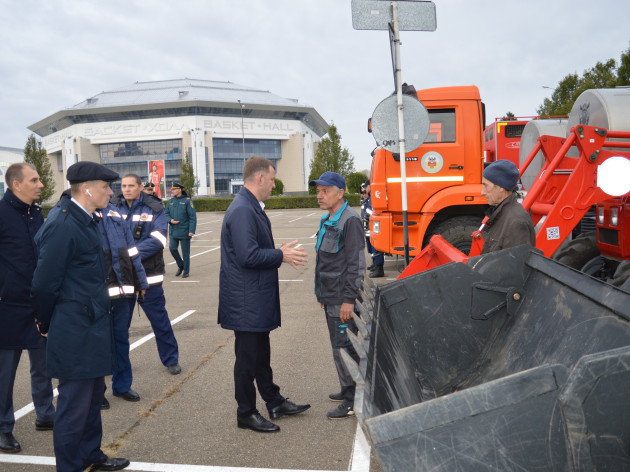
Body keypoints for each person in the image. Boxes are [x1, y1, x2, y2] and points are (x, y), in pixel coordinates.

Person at [31, 161, 129, 471]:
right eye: (106, 187)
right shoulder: (63, 225)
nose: (111, 192)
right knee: (74, 405)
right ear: (87, 189)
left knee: (91, 400)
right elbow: (44, 284)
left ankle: (91, 455)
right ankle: (70, 466)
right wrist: (45, 323)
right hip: (74, 329)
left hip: (93, 324)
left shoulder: (86, 219)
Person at [218, 156, 310, 433]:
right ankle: (245, 412)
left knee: (261, 356)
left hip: (253, 300)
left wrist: (276, 251)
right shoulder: (244, 209)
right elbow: (248, 256)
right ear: (259, 178)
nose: (273, 184)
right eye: (271, 179)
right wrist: (280, 254)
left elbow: (252, 250)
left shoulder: (250, 206)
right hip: (246, 302)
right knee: (247, 361)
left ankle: (274, 401)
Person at [0, 163, 55, 454]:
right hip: (7, 307)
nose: (40, 184)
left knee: (43, 367)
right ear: (16, 184)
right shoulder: (1, 213)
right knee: (4, 374)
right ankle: (3, 428)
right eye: (34, 180)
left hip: (38, 304)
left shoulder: (36, 213)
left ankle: (45, 414)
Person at [112, 174, 182, 376]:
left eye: (131, 186)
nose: (126, 189)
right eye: (124, 186)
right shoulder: (113, 206)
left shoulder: (155, 208)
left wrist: (127, 254)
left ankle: (171, 359)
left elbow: (159, 239)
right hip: (121, 276)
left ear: (140, 187)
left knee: (160, 321)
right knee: (119, 326)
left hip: (149, 274)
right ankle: (115, 363)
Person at [310, 171, 366, 419]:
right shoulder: (328, 219)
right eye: (318, 191)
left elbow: (355, 265)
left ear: (340, 193)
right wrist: (323, 295)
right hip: (331, 296)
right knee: (339, 345)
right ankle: (348, 387)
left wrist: (348, 300)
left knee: (343, 347)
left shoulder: (349, 220)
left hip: (342, 298)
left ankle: (352, 398)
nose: (319, 195)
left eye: (325, 191)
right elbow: (326, 262)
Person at [480, 160, 535, 254]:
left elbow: (516, 265)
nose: (482, 192)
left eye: (486, 186)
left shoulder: (516, 222)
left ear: (501, 187)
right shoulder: (500, 214)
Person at [165, 182, 196, 278]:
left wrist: (191, 230)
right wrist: (170, 220)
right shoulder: (170, 201)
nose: (172, 191)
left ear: (179, 190)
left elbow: (192, 217)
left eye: (174, 189)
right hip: (173, 230)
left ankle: (186, 271)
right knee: (172, 248)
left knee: (185, 253)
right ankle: (181, 265)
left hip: (184, 231)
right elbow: (166, 214)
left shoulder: (187, 201)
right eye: (172, 189)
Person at [361, 179, 384, 278]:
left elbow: (372, 211)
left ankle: (379, 268)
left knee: (376, 246)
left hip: (374, 224)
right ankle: (375, 265)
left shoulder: (374, 198)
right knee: (372, 246)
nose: (365, 189)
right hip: (369, 225)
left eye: (366, 187)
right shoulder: (369, 199)